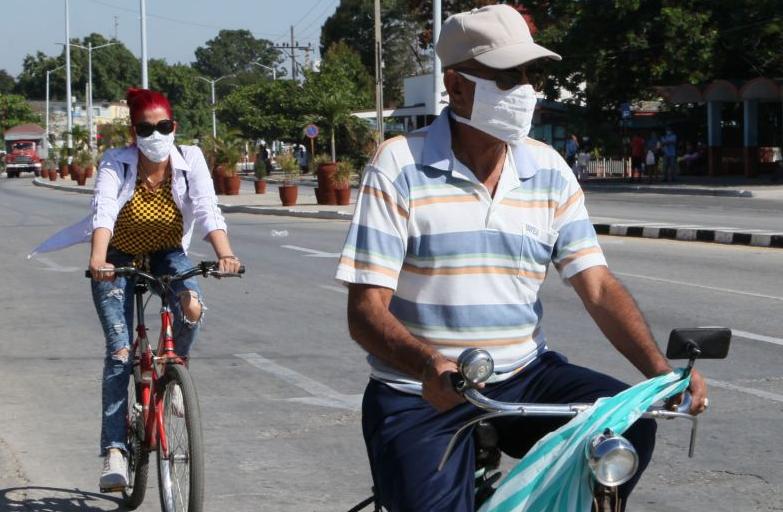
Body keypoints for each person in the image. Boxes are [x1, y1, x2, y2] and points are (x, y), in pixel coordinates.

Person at [334, 5, 707, 512]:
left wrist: (660, 374)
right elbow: (365, 313)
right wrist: (429, 364)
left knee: (629, 426)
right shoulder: (399, 165)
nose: (526, 89)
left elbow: (595, 285)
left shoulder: (548, 169)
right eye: (508, 77)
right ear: (457, 85)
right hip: (420, 389)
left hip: (524, 375)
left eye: (532, 75)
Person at [32, 88, 242, 490]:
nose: (156, 134)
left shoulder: (190, 158)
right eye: (146, 128)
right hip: (118, 256)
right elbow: (104, 209)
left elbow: (205, 205)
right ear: (134, 132)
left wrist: (226, 254)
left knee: (192, 305)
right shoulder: (117, 162)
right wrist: (99, 260)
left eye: (163, 126)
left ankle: (175, 368)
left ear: (174, 126)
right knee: (121, 350)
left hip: (166, 252)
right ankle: (115, 450)